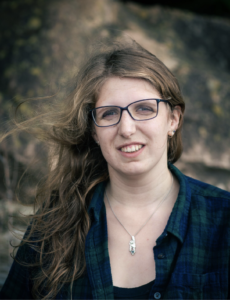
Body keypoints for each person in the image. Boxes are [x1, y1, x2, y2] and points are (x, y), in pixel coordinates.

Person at [0, 40, 230, 300]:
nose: (127, 128)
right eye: (109, 113)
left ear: (173, 119)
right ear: (94, 131)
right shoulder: (54, 222)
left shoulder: (223, 219)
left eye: (144, 108)